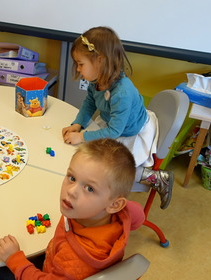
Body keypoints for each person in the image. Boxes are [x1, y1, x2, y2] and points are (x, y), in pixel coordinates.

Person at [0, 138, 145, 280]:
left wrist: (15, 259)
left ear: (114, 205)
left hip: (56, 267)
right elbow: (139, 216)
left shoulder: (73, 258)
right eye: (72, 178)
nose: (71, 191)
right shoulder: (122, 211)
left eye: (89, 188)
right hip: (58, 255)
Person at [61, 26, 173, 209]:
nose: (78, 69)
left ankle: (155, 177)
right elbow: (90, 102)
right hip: (114, 123)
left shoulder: (122, 93)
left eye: (80, 64)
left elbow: (114, 131)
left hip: (131, 131)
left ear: (100, 61)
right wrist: (77, 124)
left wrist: (81, 137)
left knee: (111, 169)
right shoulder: (97, 80)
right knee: (93, 158)